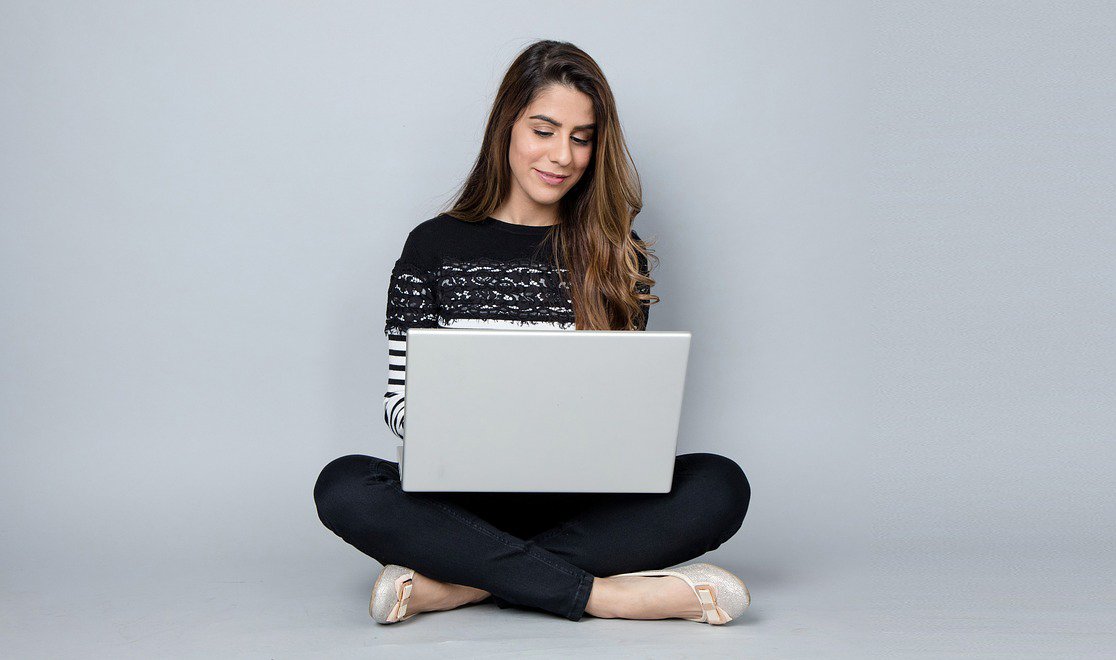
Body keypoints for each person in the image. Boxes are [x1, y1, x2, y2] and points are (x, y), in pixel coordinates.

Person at [314, 39, 751, 625]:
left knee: (721, 484)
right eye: (543, 130)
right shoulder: (432, 247)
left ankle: (461, 582)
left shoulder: (617, 256)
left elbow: (627, 413)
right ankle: (604, 595)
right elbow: (397, 402)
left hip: (584, 505)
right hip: (458, 501)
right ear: (506, 128)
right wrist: (458, 420)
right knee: (343, 485)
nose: (562, 157)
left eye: (581, 137)